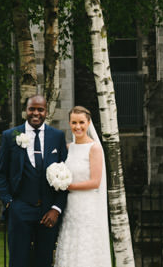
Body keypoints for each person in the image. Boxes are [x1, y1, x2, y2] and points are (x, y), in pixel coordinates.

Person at [0, 94, 70, 267]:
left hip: (48, 213)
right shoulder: (11, 135)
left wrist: (56, 208)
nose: (36, 113)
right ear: (26, 111)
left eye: (40, 109)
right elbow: (1, 174)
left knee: (44, 261)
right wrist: (9, 203)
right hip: (20, 210)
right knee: (18, 261)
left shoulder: (57, 136)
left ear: (46, 112)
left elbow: (66, 175)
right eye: (32, 109)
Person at [53, 106, 111, 267]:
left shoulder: (94, 148)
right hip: (71, 207)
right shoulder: (68, 148)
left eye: (81, 122)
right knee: (71, 245)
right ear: (69, 123)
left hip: (87, 207)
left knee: (85, 247)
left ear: (88, 123)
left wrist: (68, 186)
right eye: (74, 122)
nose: (77, 126)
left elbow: (95, 182)